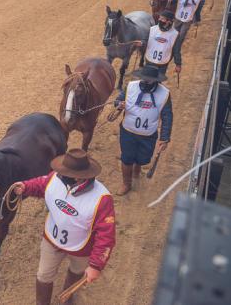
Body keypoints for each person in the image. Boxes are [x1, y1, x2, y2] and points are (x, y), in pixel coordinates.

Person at [13, 149, 115, 305]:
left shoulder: (102, 199)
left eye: (65, 172)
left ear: (78, 177)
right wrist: (26, 186)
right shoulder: (56, 177)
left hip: (81, 247)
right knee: (43, 275)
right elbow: (41, 185)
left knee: (76, 271)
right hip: (51, 240)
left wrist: (95, 265)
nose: (60, 174)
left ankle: (68, 296)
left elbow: (106, 236)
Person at [114, 65, 173, 195]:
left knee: (143, 158)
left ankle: (137, 169)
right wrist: (119, 104)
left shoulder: (164, 94)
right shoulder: (131, 86)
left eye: (149, 79)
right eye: (143, 78)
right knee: (127, 158)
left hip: (148, 134)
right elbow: (118, 100)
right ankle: (126, 183)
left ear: (156, 80)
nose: (145, 81)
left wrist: (164, 138)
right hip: (128, 131)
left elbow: (167, 116)